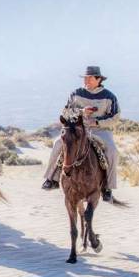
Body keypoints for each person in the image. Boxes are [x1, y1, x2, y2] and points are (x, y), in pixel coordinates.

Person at [42, 66, 120, 202]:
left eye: (89, 78)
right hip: (78, 128)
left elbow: (115, 117)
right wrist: (81, 111)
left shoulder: (109, 96)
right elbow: (65, 112)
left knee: (112, 151)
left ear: (99, 79)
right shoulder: (76, 93)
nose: (86, 80)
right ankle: (51, 178)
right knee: (58, 144)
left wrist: (96, 122)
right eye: (85, 78)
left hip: (100, 130)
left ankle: (108, 187)